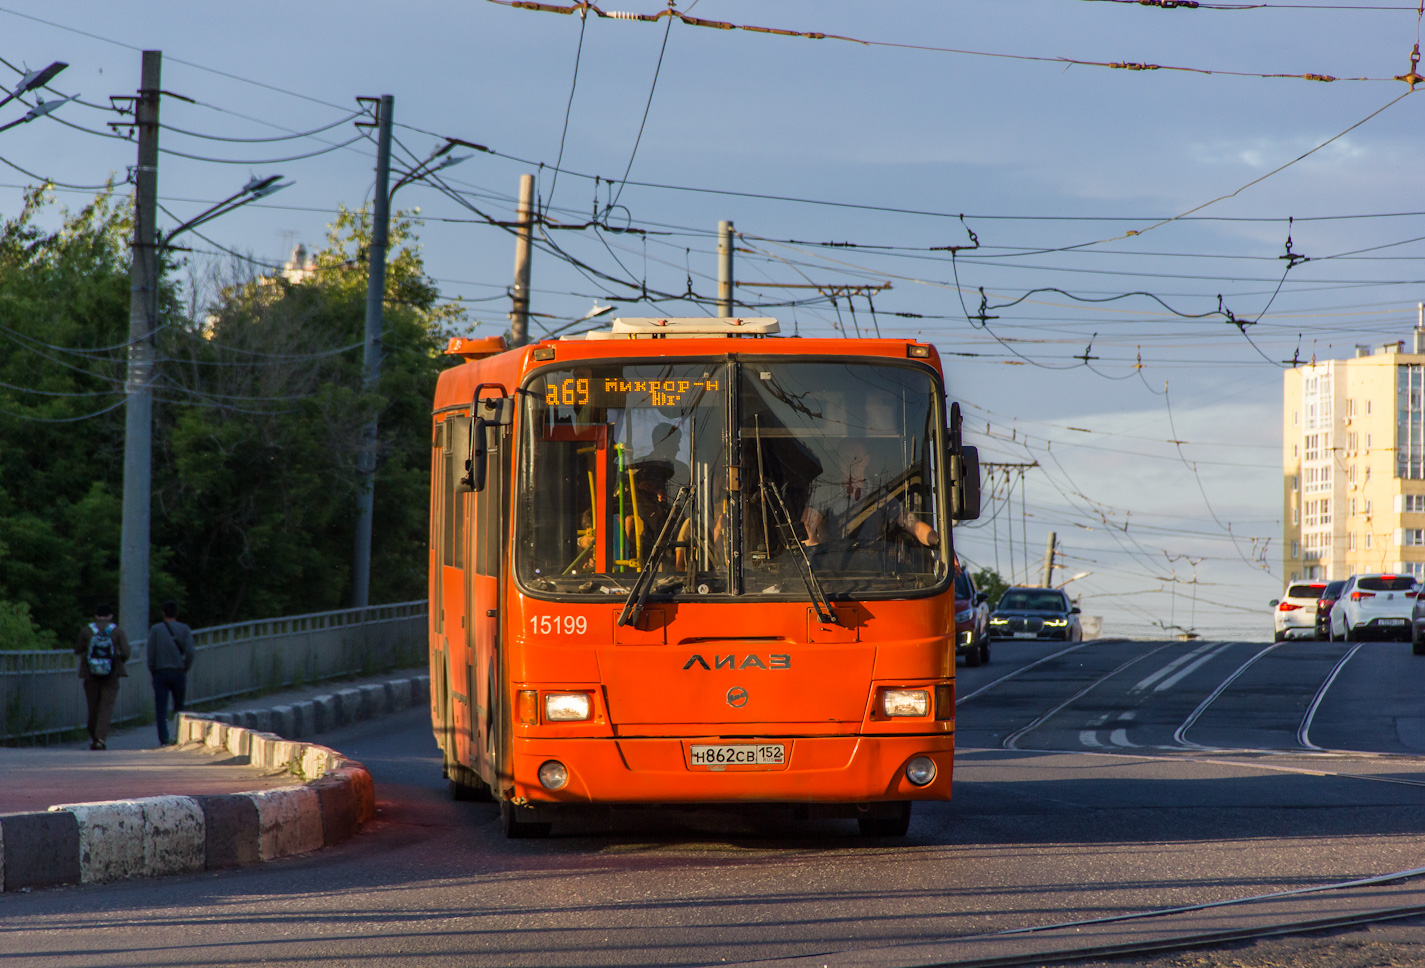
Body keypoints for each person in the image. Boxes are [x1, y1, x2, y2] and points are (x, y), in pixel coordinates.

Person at [74, 604, 130, 750]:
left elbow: (78, 649)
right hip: (111, 676)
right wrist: (115, 662)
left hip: (90, 676)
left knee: (93, 707)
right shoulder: (116, 632)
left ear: (96, 616)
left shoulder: (87, 631)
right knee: (106, 708)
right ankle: (100, 739)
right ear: (110, 616)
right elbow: (126, 652)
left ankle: (93, 734)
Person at [147, 600, 195, 745]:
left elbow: (151, 653)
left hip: (160, 672)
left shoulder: (156, 630)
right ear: (177, 613)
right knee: (179, 707)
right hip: (178, 672)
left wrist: (153, 670)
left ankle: (164, 738)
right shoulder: (185, 629)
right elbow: (191, 652)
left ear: (163, 614)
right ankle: (179, 736)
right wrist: (184, 667)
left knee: (161, 707)